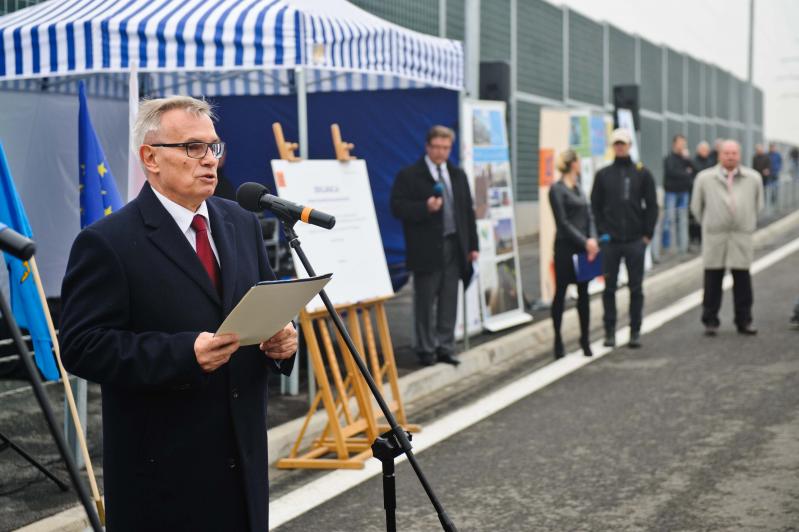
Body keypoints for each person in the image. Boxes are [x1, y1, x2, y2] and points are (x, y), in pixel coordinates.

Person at [60, 96, 298, 532]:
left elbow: (263, 302)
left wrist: (281, 340)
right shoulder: (108, 242)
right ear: (150, 158)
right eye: (192, 147)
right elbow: (82, 346)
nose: (209, 159)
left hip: (243, 465)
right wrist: (184, 354)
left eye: (213, 147)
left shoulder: (241, 221)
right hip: (164, 475)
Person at [391, 125, 479, 367]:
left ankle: (445, 347)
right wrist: (424, 207)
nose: (441, 152)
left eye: (446, 148)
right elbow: (397, 207)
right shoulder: (410, 175)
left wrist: (473, 245)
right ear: (427, 147)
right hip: (426, 248)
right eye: (437, 147)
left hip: (454, 245)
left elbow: (467, 212)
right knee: (425, 300)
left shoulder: (457, 175)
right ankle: (426, 349)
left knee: (449, 299)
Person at [591, 128, 658, 349]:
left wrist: (647, 234)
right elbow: (595, 206)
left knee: (636, 288)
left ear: (629, 146)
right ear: (612, 147)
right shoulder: (603, 175)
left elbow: (652, 205)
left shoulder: (642, 173)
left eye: (623, 144)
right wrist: (602, 232)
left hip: (635, 240)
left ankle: (635, 331)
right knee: (609, 288)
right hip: (610, 241)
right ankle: (609, 331)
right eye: (616, 144)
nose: (620, 147)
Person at [691, 140, 763, 336]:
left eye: (734, 153)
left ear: (739, 155)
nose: (730, 157)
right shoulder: (705, 178)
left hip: (741, 235)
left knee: (743, 279)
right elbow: (696, 208)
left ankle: (744, 320)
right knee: (712, 280)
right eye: (726, 153)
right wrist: (713, 222)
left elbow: (758, 205)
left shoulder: (753, 178)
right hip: (715, 235)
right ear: (719, 155)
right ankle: (710, 320)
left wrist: (745, 221)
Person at [549, 149, 598, 359]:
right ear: (573, 163)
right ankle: (557, 339)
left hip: (583, 248)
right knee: (560, 292)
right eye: (578, 160)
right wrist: (585, 241)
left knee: (584, 293)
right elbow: (563, 223)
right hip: (565, 248)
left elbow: (589, 215)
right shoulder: (556, 190)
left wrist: (592, 239)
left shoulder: (579, 188)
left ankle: (585, 339)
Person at [662, 134, 694, 254]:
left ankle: (683, 246)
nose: (682, 145)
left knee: (683, 220)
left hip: (683, 192)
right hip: (671, 192)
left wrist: (687, 159)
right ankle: (667, 246)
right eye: (680, 143)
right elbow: (672, 172)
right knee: (669, 219)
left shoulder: (685, 159)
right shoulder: (669, 158)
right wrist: (686, 173)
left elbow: (694, 169)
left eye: (683, 143)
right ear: (674, 144)